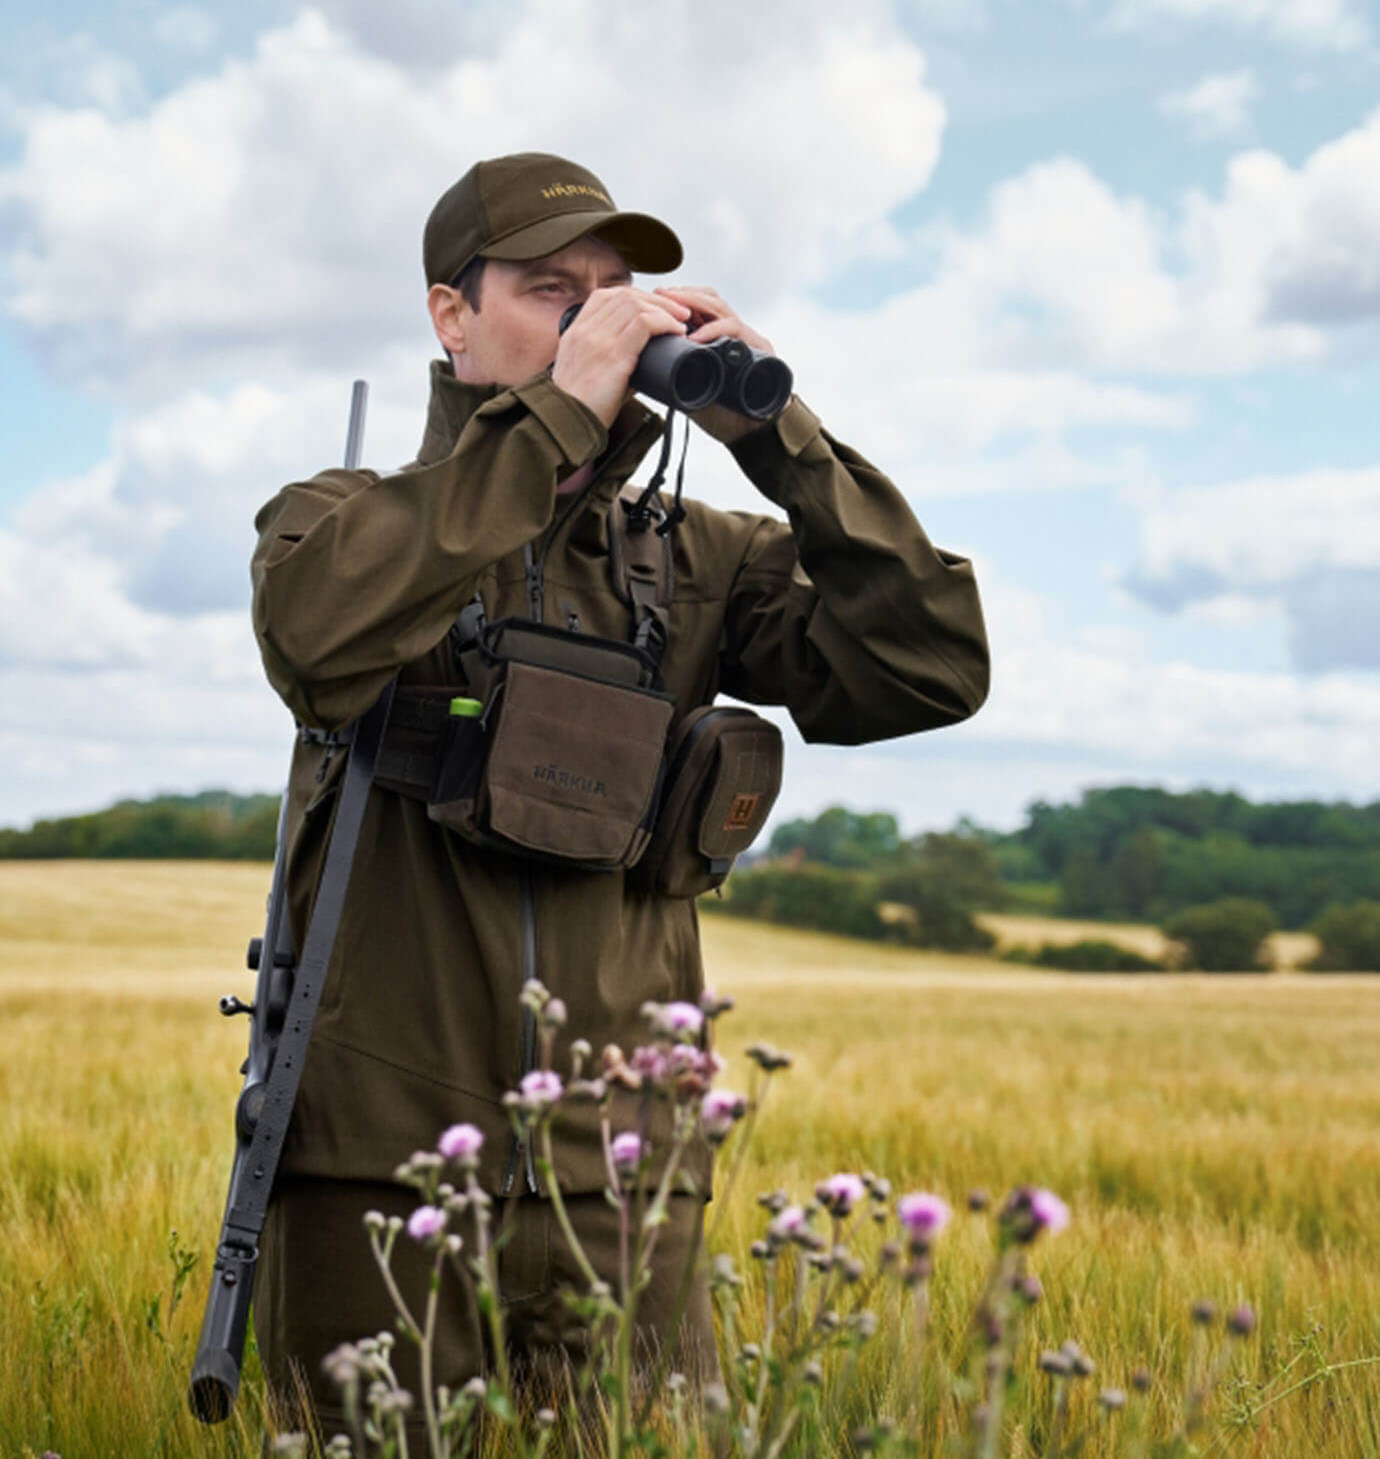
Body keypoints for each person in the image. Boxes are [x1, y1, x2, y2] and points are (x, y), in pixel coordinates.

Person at [248, 151, 989, 1438]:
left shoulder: (700, 561)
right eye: (552, 292)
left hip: (627, 1188)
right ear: (451, 315)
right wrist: (552, 426)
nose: (599, 321)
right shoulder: (344, 517)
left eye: (617, 294)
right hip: (380, 1174)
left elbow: (934, 669)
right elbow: (319, 644)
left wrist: (786, 440)